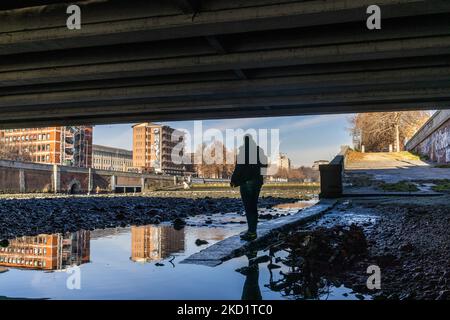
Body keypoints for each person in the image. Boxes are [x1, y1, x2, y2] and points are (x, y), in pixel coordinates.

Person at [230, 135, 267, 241]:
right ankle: (252, 231)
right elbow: (265, 164)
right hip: (257, 182)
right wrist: (261, 178)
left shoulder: (243, 151)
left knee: (248, 207)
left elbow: (239, 167)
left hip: (246, 183)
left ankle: (251, 232)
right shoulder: (259, 150)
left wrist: (233, 180)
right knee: (253, 206)